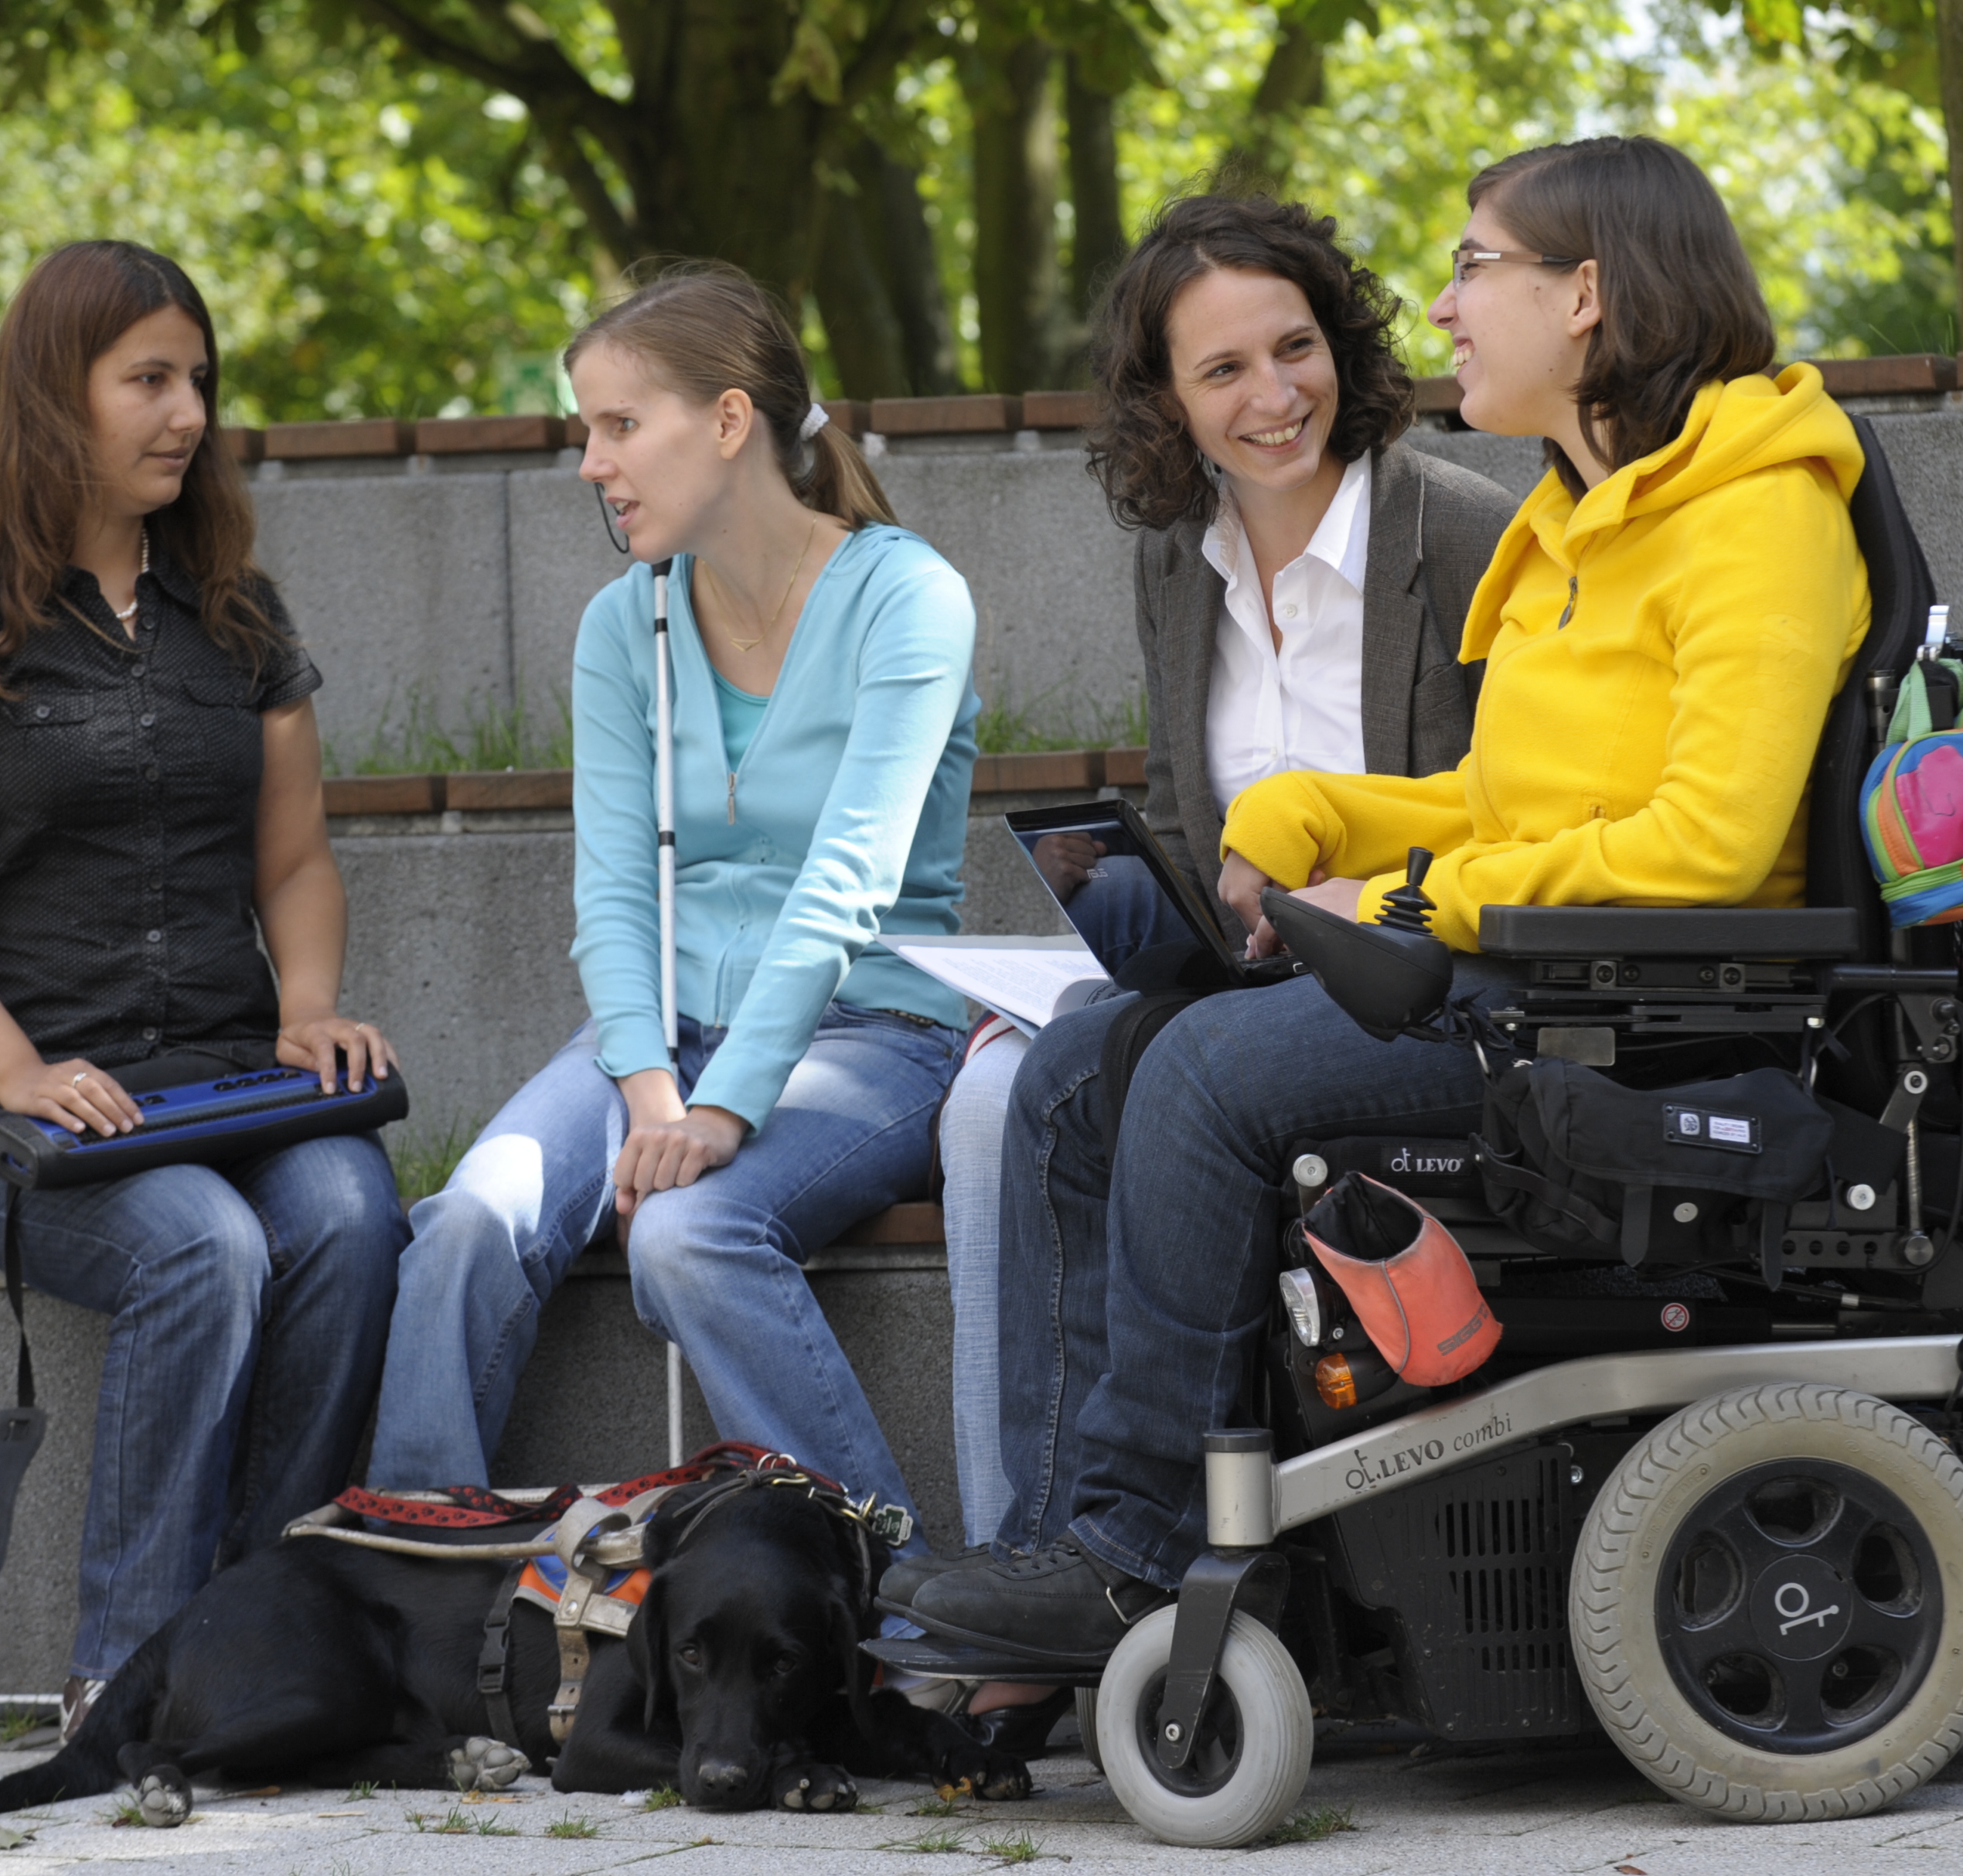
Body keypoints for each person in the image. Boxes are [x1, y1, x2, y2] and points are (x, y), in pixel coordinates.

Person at [906, 135, 1873, 1666]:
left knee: (1206, 1073)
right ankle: (1084, 1535)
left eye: (1474, 266)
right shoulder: (1586, 516)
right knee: (1092, 1064)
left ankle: (1138, 1555)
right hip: (1528, 970)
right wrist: (1307, 816)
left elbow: (1707, 844)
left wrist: (1426, 903)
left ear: (1587, 297)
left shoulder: (1755, 513)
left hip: (1619, 1009)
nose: (1441, 309)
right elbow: (1502, 797)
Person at [0, 240, 407, 1739]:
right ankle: (128, 1676)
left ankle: (264, 1630)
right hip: (24, 1109)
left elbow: (294, 864)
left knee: (356, 1213)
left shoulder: (237, 613)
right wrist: (16, 1072)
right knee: (207, 1250)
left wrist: (308, 1005)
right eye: (148, 379)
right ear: (57, 394)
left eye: (198, 380)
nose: (185, 412)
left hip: (224, 1079)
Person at [927, 194, 1512, 1557]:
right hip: (1247, 984)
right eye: (1225, 370)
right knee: (1012, 1077)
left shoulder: (1466, 538)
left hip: (1419, 977)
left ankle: (1113, 1549)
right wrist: (1114, 933)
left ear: (1347, 348)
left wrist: (1369, 898)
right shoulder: (1174, 568)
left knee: (1080, 1081)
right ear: (1168, 405)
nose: (1274, 396)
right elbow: (1188, 830)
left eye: (1295, 348)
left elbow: (1521, 811)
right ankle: (1035, 1536)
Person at [365, 263, 977, 1527]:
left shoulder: (907, 597)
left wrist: (725, 1110)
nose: (592, 462)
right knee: (468, 1224)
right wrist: (653, 1092)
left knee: (687, 1237)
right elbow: (611, 890)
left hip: (868, 1035)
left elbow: (850, 879)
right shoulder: (620, 624)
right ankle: (414, 1589)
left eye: (620, 426)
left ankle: (893, 1593)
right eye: (588, 430)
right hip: (656, 1039)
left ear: (732, 421)